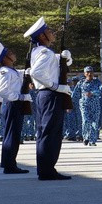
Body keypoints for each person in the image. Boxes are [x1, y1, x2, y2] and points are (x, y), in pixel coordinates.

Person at [25, 16, 72, 181]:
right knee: (49, 132)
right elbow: (36, 73)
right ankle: (47, 170)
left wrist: (65, 58)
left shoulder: (43, 52)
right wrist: (56, 87)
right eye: (48, 31)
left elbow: (53, 67)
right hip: (50, 94)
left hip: (47, 95)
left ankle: (46, 168)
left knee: (48, 132)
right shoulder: (44, 52)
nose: (52, 33)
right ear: (42, 36)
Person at [0, 43, 31, 174]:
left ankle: (7, 162)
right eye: (10, 53)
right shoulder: (4, 71)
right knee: (12, 135)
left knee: (11, 135)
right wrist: (19, 97)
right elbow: (1, 90)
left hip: (12, 104)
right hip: (11, 104)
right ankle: (10, 165)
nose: (13, 54)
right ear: (4, 58)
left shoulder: (11, 71)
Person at [74, 66, 102, 146]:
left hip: (95, 105)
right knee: (86, 121)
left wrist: (93, 93)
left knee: (94, 122)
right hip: (84, 105)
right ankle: (85, 137)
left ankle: (92, 140)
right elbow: (75, 94)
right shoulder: (81, 83)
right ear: (85, 73)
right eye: (87, 72)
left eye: (91, 72)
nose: (89, 74)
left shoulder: (97, 82)